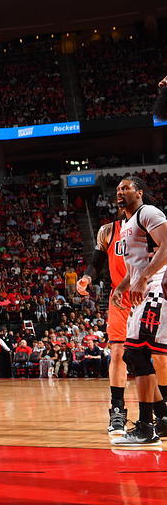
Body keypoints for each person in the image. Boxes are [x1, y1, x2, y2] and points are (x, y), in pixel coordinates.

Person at [110, 177, 167, 446]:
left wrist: (144, 278)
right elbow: (134, 268)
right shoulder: (126, 226)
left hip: (156, 289)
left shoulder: (149, 212)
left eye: (126, 187)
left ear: (140, 192)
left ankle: (147, 427)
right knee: (134, 356)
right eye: (119, 188)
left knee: (139, 353)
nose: (121, 191)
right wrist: (121, 287)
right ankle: (162, 418)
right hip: (141, 291)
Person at [77, 205, 132, 434]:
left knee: (157, 356)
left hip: (148, 292)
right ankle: (117, 410)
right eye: (118, 193)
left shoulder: (152, 226)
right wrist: (87, 278)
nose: (120, 197)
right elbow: (97, 261)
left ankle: (161, 409)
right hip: (119, 297)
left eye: (126, 190)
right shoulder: (108, 231)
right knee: (117, 352)